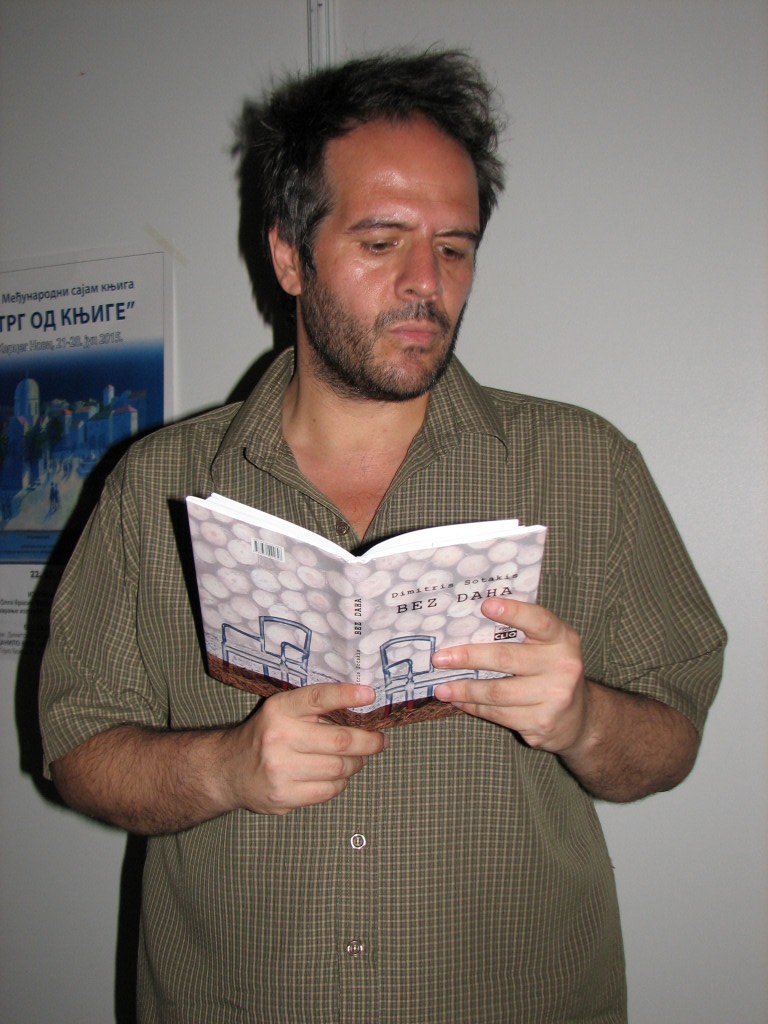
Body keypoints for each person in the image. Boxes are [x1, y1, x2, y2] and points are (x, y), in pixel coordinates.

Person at [39, 49, 726, 1023]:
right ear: (289, 257)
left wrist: (583, 720)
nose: (424, 283)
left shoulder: (586, 466)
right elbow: (78, 746)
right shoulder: (156, 484)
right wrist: (224, 768)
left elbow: (672, 739)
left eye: (455, 247)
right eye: (380, 241)